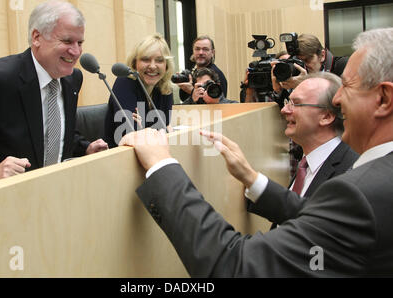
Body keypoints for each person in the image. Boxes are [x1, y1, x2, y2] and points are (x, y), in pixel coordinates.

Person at [119, 27, 393, 277]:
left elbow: (236, 265)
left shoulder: (360, 193)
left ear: (383, 99)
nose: (336, 99)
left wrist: (162, 165)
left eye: (347, 86)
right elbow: (311, 214)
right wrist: (251, 177)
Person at [0, 0, 108, 186]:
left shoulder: (72, 78)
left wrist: (86, 148)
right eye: (67, 41)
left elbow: (54, 131)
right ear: (37, 37)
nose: (76, 51)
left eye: (80, 42)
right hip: (4, 200)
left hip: (57, 192)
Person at [246, 72, 358, 227]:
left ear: (326, 116)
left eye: (295, 103)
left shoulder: (350, 172)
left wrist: (252, 179)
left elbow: (314, 227)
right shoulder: (306, 164)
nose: (284, 110)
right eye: (288, 102)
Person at [103, 33, 175, 148]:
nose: (152, 66)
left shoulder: (165, 87)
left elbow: (164, 128)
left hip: (153, 152)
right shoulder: (124, 82)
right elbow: (131, 135)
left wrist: (146, 130)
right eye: (146, 59)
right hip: (120, 156)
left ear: (166, 65)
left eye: (159, 60)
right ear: (134, 63)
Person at [280, 33, 348, 90]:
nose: (304, 65)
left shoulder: (342, 66)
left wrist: (306, 85)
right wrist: (278, 91)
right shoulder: (299, 71)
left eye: (307, 60)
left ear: (322, 55)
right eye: (300, 60)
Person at [177, 36, 228, 102]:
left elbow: (220, 103)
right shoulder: (193, 71)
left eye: (205, 49)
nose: (200, 52)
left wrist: (192, 91)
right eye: (197, 49)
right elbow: (184, 99)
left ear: (213, 53)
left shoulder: (216, 74)